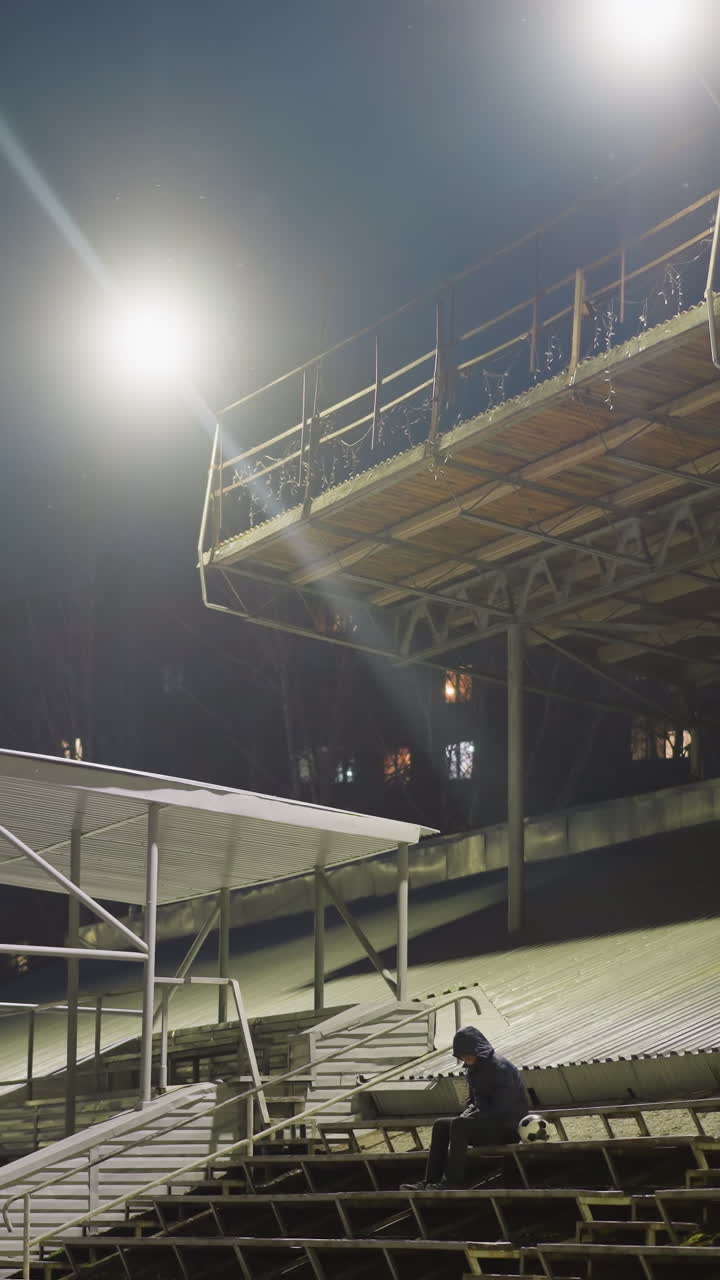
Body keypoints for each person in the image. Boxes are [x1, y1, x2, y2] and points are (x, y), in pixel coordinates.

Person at [401, 1026, 529, 1190]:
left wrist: (471, 1118)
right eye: (462, 1056)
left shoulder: (500, 1068)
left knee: (460, 1125)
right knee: (441, 1125)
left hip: (506, 1129)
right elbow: (475, 1102)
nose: (464, 1059)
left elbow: (502, 1108)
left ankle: (453, 1182)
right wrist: (467, 1114)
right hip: (487, 1123)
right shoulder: (474, 1069)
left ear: (478, 1050)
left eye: (467, 1055)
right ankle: (430, 1180)